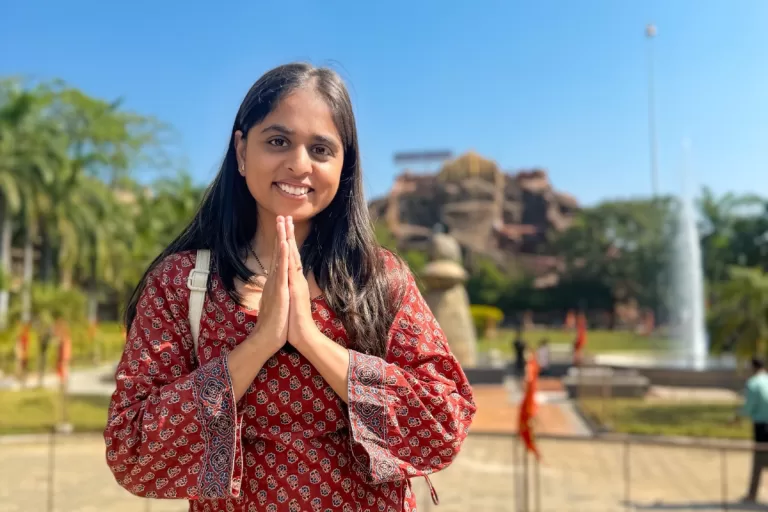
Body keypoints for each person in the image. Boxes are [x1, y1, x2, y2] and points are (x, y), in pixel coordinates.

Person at [103, 63, 476, 512]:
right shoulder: (181, 285)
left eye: (321, 149)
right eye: (278, 141)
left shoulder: (378, 280)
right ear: (241, 151)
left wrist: (311, 340)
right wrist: (258, 344)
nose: (299, 164)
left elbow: (443, 426)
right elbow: (132, 450)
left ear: (344, 166)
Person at [735, 357, 768, 504]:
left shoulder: (753, 383)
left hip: (762, 426)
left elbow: (749, 406)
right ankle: (752, 493)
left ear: (753, 367)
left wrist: (737, 418)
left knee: (759, 459)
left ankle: (752, 494)